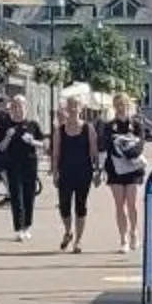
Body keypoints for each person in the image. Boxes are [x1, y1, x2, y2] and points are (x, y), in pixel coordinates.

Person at [0, 94, 46, 242]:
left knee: (29, 195)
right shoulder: (5, 125)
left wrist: (33, 142)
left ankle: (27, 226)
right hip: (12, 164)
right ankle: (18, 228)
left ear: (26, 108)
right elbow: (1, 147)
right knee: (16, 196)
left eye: (20, 106)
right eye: (14, 106)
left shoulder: (32, 125)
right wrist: (8, 137)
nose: (17, 109)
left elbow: (44, 144)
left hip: (30, 163)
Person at [103, 92, 150, 254]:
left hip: (133, 168)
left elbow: (141, 143)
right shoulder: (109, 126)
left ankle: (134, 232)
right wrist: (119, 149)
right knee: (119, 204)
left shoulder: (136, 124)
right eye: (117, 105)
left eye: (123, 105)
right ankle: (122, 238)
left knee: (132, 203)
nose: (121, 108)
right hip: (115, 168)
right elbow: (107, 144)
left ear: (128, 106)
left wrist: (131, 152)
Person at [50, 94, 99, 253]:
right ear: (66, 108)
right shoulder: (60, 130)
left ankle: (78, 240)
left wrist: (98, 170)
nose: (72, 109)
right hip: (65, 171)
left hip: (84, 171)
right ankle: (68, 231)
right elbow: (56, 152)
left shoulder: (88, 128)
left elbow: (94, 151)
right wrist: (55, 171)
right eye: (70, 105)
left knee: (80, 204)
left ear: (81, 108)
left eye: (76, 105)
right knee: (64, 205)